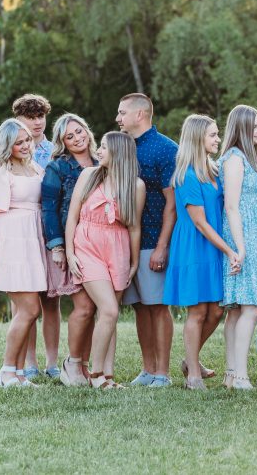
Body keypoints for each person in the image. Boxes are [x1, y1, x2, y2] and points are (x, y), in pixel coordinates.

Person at [163, 115, 242, 390]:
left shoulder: (213, 169)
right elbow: (199, 221)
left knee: (216, 310)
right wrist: (229, 250)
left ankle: (189, 359)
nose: (217, 139)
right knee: (197, 311)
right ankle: (193, 374)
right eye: (212, 135)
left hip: (213, 245)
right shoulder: (186, 175)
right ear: (197, 138)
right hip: (194, 246)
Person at [66, 131, 146, 390]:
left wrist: (134, 263)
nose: (98, 151)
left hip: (118, 248)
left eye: (103, 147)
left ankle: (108, 376)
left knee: (108, 315)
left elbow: (134, 227)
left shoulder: (135, 186)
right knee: (109, 309)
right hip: (87, 244)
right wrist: (69, 252)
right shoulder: (88, 175)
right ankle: (96, 372)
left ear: (119, 153)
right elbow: (72, 217)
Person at [0, 118, 48, 388]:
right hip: (11, 243)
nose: (25, 146)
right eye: (18, 143)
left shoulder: (34, 167)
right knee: (29, 308)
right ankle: (6, 370)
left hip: (32, 241)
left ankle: (17, 373)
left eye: (27, 140)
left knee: (28, 310)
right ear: (7, 144)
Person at [116, 93, 178, 388]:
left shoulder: (166, 149)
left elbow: (172, 203)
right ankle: (147, 368)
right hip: (125, 241)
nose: (118, 118)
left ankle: (163, 373)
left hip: (154, 240)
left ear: (140, 115)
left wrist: (163, 247)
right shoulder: (123, 147)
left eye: (122, 112)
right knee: (139, 306)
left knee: (157, 306)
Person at [218, 105, 257, 390]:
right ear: (240, 128)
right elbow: (231, 206)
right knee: (251, 307)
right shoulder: (233, 159)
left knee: (237, 310)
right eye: (253, 126)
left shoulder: (251, 159)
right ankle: (240, 374)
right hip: (243, 235)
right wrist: (240, 248)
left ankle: (231, 373)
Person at [41, 113, 99, 386]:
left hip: (100, 243)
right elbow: (49, 208)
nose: (77, 138)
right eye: (69, 136)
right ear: (62, 142)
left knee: (96, 307)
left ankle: (84, 365)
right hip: (72, 243)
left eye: (79, 131)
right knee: (84, 306)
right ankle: (72, 362)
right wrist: (57, 247)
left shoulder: (102, 161)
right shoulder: (58, 167)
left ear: (87, 130)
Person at [11, 93, 57, 379]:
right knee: (24, 303)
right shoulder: (9, 153)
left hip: (49, 233)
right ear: (19, 120)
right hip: (21, 235)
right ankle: (29, 361)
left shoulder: (54, 151)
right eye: (31, 117)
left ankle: (52, 362)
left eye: (40, 116)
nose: (37, 122)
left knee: (50, 300)